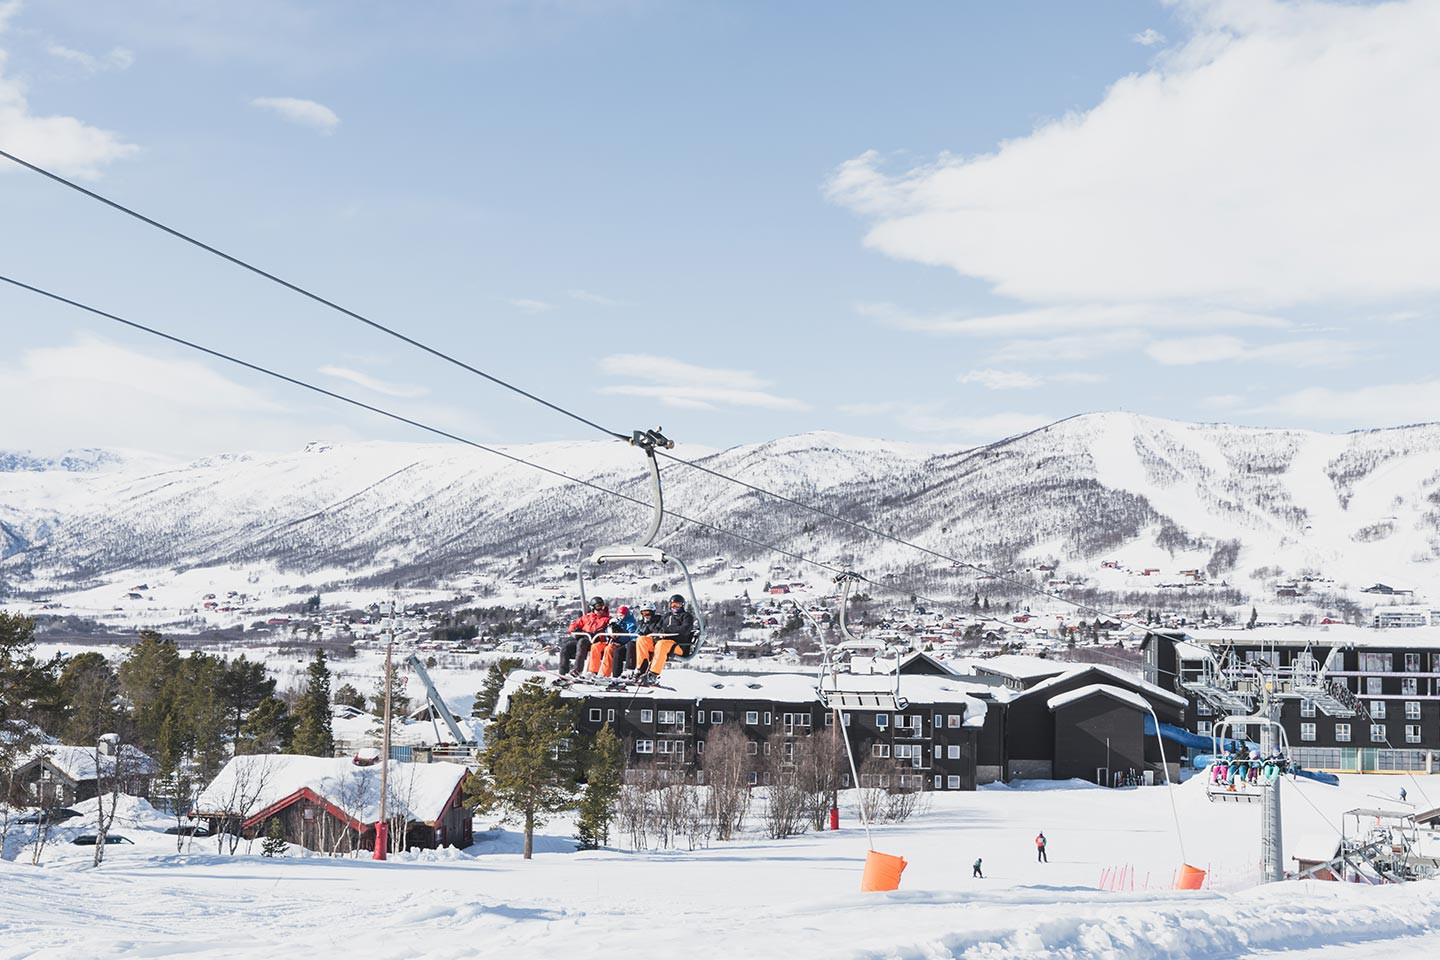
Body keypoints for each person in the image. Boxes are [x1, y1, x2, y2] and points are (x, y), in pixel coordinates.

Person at [633, 594, 697, 684]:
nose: (674, 607)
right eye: (672, 605)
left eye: (677, 605)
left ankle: (653, 674)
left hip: (678, 646)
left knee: (661, 644)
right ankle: (641, 669)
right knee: (642, 639)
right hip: (661, 643)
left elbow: (685, 630)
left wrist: (668, 630)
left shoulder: (686, 616)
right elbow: (658, 628)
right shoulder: (666, 616)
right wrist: (656, 632)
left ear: (682, 605)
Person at [561, 597, 609, 676]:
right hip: (584, 639)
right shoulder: (586, 618)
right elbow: (573, 626)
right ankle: (563, 673)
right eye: (598, 608)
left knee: (581, 642)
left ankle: (577, 670)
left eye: (602, 608)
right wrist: (576, 630)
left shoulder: (606, 619)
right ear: (592, 608)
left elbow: (608, 632)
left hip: (595, 641)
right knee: (566, 647)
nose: (600, 610)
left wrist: (596, 635)